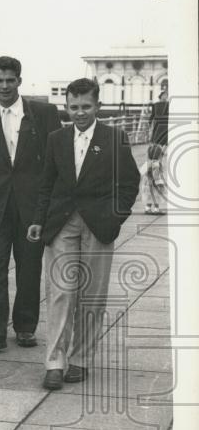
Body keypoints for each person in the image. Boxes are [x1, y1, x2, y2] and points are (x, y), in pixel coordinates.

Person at [28, 78, 140, 390]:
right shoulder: (56, 138)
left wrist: (114, 218)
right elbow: (46, 184)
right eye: (74, 107)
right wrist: (38, 219)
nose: (80, 113)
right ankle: (55, 362)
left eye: (86, 107)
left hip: (99, 224)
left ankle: (81, 359)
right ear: (66, 107)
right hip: (61, 222)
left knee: (92, 294)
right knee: (61, 291)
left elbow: (129, 182)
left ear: (97, 106)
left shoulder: (115, 137)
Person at [0, 55, 62, 352]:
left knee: (29, 267)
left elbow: (55, 163)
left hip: (32, 206)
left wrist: (50, 207)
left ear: (19, 80)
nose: (4, 86)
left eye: (9, 80)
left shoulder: (44, 113)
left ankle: (25, 327)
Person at [141, 143, 166, 214]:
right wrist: (160, 183)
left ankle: (147, 209)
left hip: (147, 183)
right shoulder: (156, 164)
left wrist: (147, 175)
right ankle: (156, 210)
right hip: (154, 184)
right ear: (159, 155)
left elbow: (142, 171)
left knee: (149, 197)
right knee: (156, 196)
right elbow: (156, 176)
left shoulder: (147, 163)